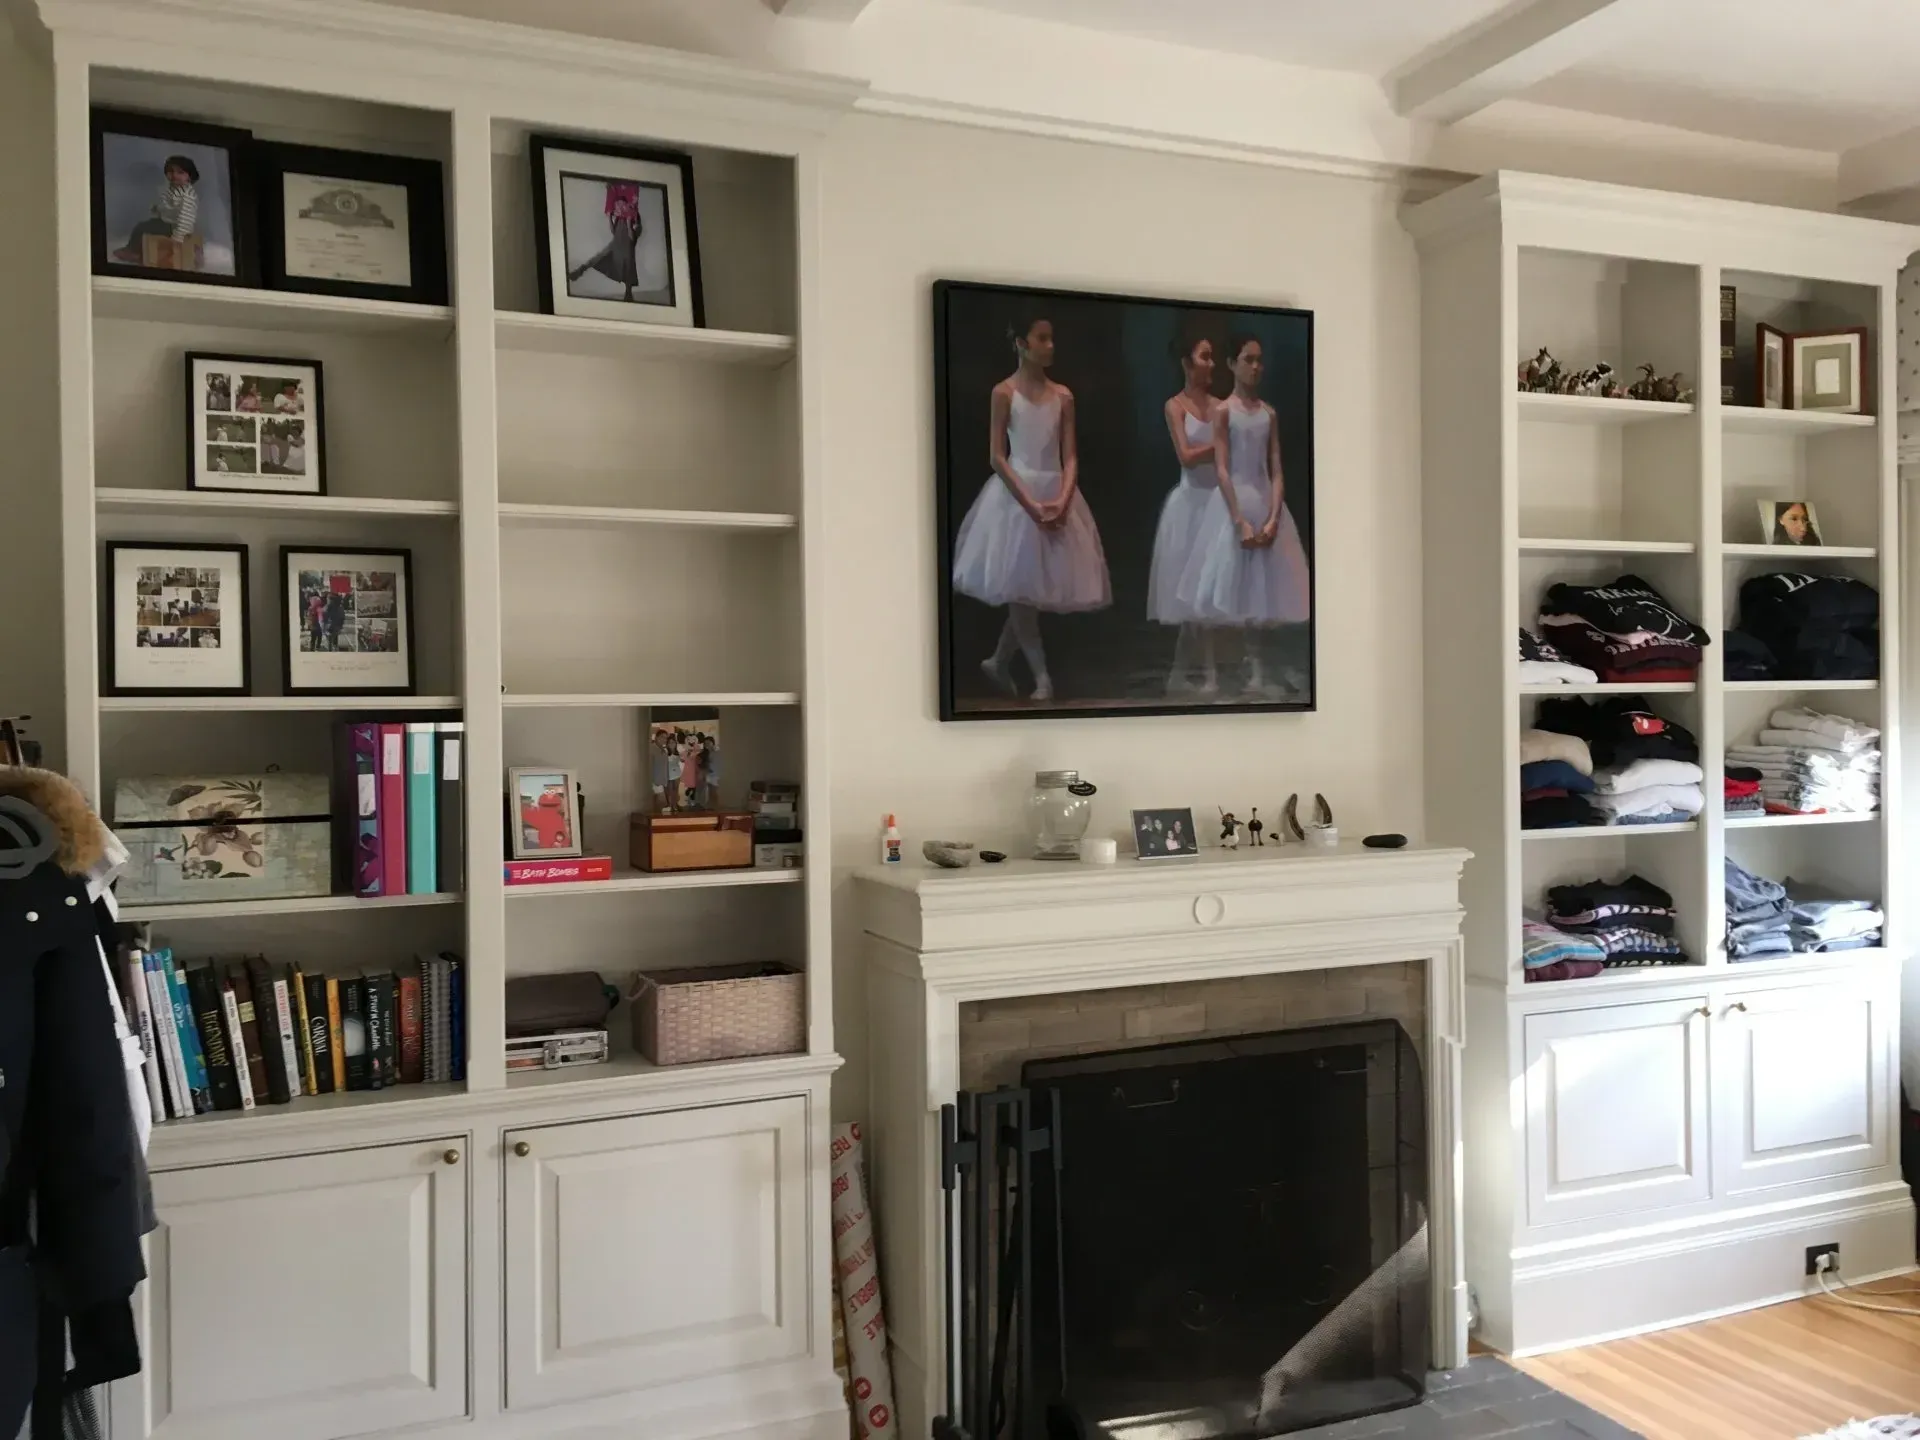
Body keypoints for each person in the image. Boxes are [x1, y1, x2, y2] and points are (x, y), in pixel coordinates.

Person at [950, 316, 1111, 703]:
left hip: (1056, 491)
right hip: (1016, 497)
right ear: (1022, 343)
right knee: (1020, 590)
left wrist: (1063, 497)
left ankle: (998, 660)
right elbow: (996, 456)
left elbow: (1070, 455)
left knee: (1027, 593)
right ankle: (1042, 679)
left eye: (1051, 338)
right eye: (1042, 338)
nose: (1050, 345)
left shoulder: (1063, 396)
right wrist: (1031, 504)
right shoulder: (1004, 392)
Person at [1175, 335, 1310, 695]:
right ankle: (1213, 673)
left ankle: (1258, 672)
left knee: (1260, 591)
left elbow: (1276, 467)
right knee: (1223, 587)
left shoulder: (1269, 414)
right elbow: (1221, 468)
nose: (1256, 367)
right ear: (1233, 364)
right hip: (1233, 505)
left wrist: (1273, 516)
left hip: (1264, 500)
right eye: (1248, 360)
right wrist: (1239, 519)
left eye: (1259, 360)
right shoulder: (1224, 412)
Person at [1149, 330, 1224, 695]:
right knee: (1196, 595)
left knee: (1205, 594)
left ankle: (1180, 676)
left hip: (1219, 505)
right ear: (1186, 361)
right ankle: (1206, 677)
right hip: (1190, 506)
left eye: (1212, 357)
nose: (1210, 363)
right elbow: (1186, 455)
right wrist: (1222, 444)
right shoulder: (1174, 406)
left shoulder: (1222, 406)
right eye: (1204, 356)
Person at [112, 153, 200, 264]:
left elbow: (186, 217)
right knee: (144, 225)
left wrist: (178, 236)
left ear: (189, 176)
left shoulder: (187, 195)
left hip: (176, 227)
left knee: (143, 228)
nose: (174, 175)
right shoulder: (173, 190)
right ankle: (135, 249)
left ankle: (134, 252)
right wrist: (158, 209)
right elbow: (168, 206)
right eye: (170, 172)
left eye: (180, 172)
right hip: (167, 222)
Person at [567, 179, 644, 301]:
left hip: (627, 250)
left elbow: (632, 238)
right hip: (615, 245)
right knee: (597, 258)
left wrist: (629, 222)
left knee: (628, 270)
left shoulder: (635, 220)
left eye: (622, 205)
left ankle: (628, 294)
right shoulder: (619, 218)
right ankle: (579, 272)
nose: (620, 207)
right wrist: (610, 218)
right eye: (619, 205)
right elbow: (614, 232)